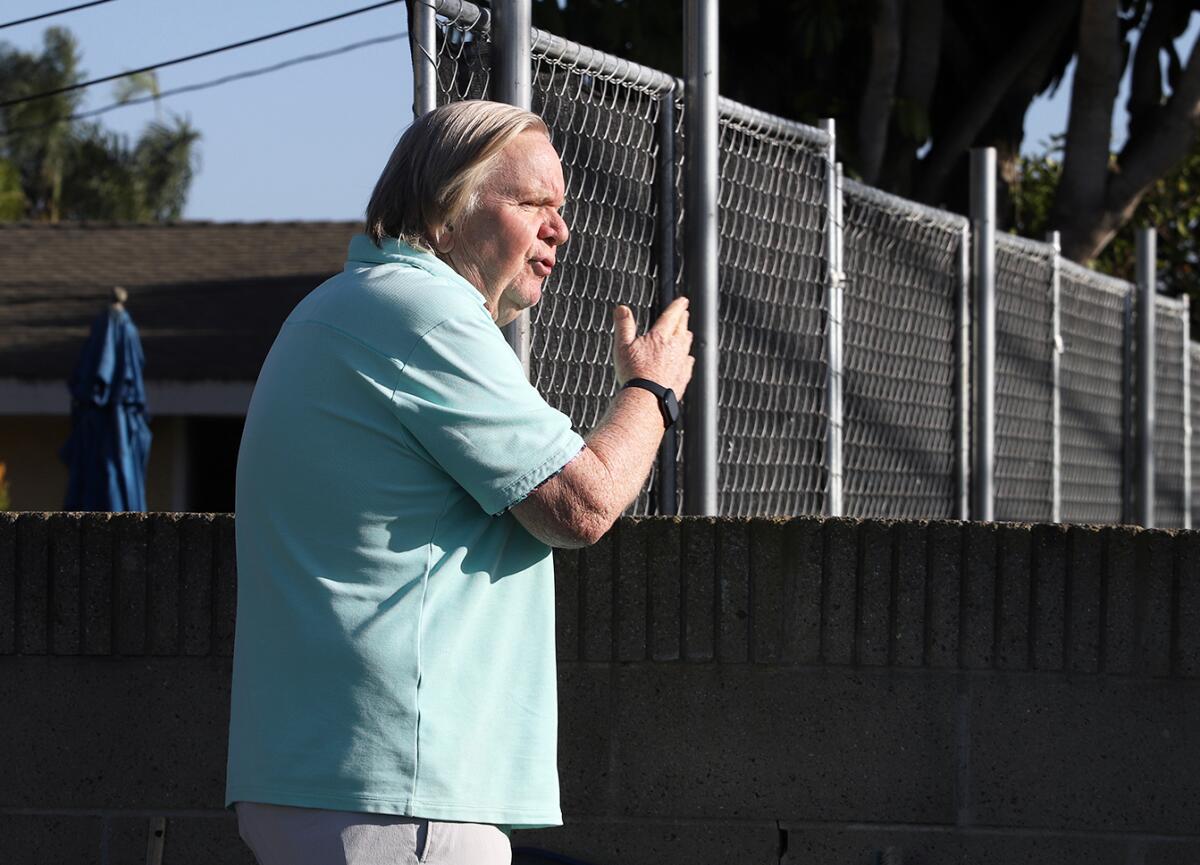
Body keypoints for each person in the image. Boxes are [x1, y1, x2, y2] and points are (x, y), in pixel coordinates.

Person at [225, 99, 694, 865]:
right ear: (445, 216)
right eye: (532, 202)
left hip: (319, 782)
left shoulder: (334, 308)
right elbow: (582, 502)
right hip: (400, 794)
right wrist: (652, 391)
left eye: (561, 207)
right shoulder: (428, 314)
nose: (559, 228)